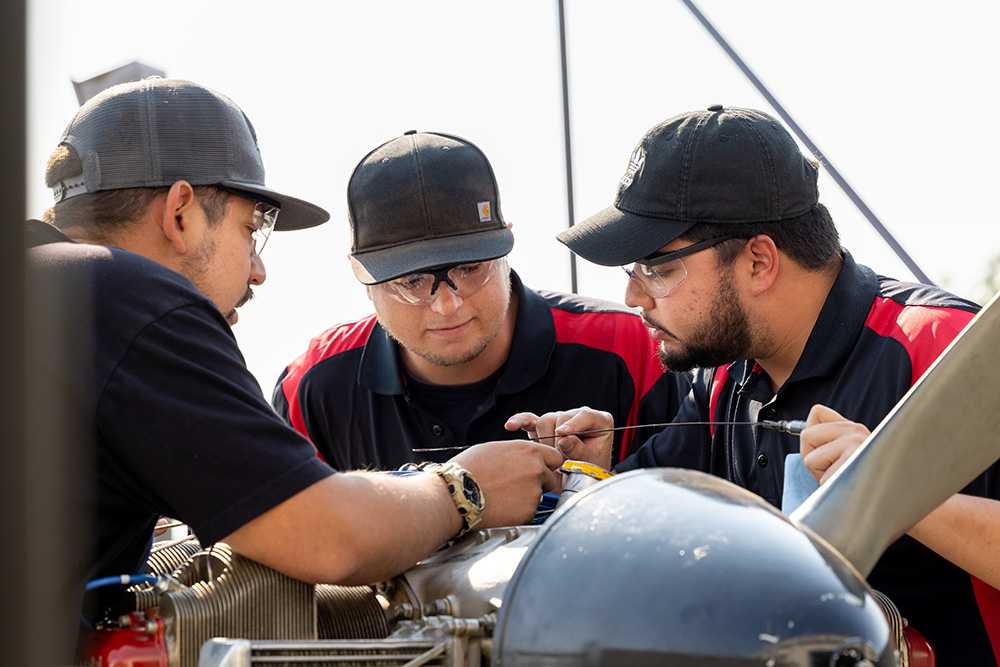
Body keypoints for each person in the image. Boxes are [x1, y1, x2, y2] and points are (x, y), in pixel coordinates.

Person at [28, 79, 563, 631]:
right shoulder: (123, 295)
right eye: (251, 229)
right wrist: (463, 489)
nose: (259, 270)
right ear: (181, 214)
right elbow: (329, 539)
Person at [508, 106, 1000, 665]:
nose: (633, 299)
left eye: (656, 269)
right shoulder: (727, 379)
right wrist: (591, 476)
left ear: (760, 261)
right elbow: (635, 534)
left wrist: (895, 488)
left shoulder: (943, 348)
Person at [273, 131, 682, 471]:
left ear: (507, 246)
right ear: (360, 274)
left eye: (469, 270)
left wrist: (601, 483)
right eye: (412, 281)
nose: (447, 305)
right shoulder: (313, 386)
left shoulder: (633, 348)